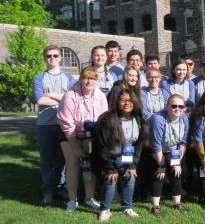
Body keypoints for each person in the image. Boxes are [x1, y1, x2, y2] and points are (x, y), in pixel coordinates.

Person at [57, 66, 108, 212]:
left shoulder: (100, 96)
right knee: (73, 163)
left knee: (90, 163)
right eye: (86, 78)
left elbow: (103, 119)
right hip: (69, 134)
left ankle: (89, 198)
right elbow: (67, 125)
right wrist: (76, 147)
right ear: (80, 79)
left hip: (90, 134)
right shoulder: (70, 95)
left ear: (96, 81)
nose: (89, 81)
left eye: (93, 79)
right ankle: (72, 200)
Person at [94, 88, 148, 221]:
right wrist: (110, 167)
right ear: (117, 102)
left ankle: (127, 208)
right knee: (111, 177)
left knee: (131, 175)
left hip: (128, 156)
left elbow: (139, 145)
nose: (126, 103)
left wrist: (133, 164)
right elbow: (102, 147)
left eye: (130, 100)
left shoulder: (139, 119)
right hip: (109, 157)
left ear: (134, 102)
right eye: (123, 100)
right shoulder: (108, 119)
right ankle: (104, 210)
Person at [33, 45, 76, 204]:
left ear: (60, 57)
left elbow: (72, 98)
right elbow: (40, 100)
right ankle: (48, 190)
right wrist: (62, 98)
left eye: (55, 56)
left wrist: (50, 94)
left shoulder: (69, 78)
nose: (52, 58)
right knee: (46, 159)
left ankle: (59, 187)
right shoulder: (39, 78)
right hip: (45, 124)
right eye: (49, 56)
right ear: (45, 58)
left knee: (61, 159)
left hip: (64, 124)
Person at [149, 94, 190, 215]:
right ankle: (155, 205)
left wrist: (177, 163)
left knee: (176, 172)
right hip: (158, 150)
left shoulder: (184, 118)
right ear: (167, 106)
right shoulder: (158, 119)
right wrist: (161, 165)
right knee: (159, 174)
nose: (178, 109)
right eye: (174, 106)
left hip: (175, 150)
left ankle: (177, 203)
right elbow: (156, 144)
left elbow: (183, 142)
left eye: (181, 106)